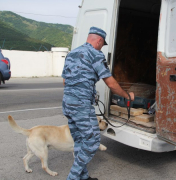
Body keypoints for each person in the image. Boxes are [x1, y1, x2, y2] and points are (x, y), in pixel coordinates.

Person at [62, 27, 134, 180]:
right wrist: (126, 95)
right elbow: (111, 83)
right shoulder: (96, 54)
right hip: (81, 106)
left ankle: (84, 177)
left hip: (68, 103)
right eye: (102, 44)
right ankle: (73, 177)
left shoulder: (72, 53)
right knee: (93, 142)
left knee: (80, 141)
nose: (102, 47)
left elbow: (64, 80)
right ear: (99, 40)